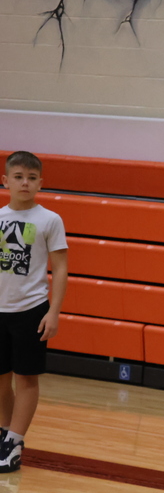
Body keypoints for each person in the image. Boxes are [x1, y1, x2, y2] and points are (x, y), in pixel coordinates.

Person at [0, 151, 68, 473]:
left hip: (31, 310)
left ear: (40, 183)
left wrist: (54, 311)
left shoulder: (49, 220)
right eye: (18, 177)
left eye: (31, 178)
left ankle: (14, 442)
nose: (24, 183)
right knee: (1, 379)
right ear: (6, 181)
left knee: (26, 378)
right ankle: (4, 433)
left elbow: (61, 268)